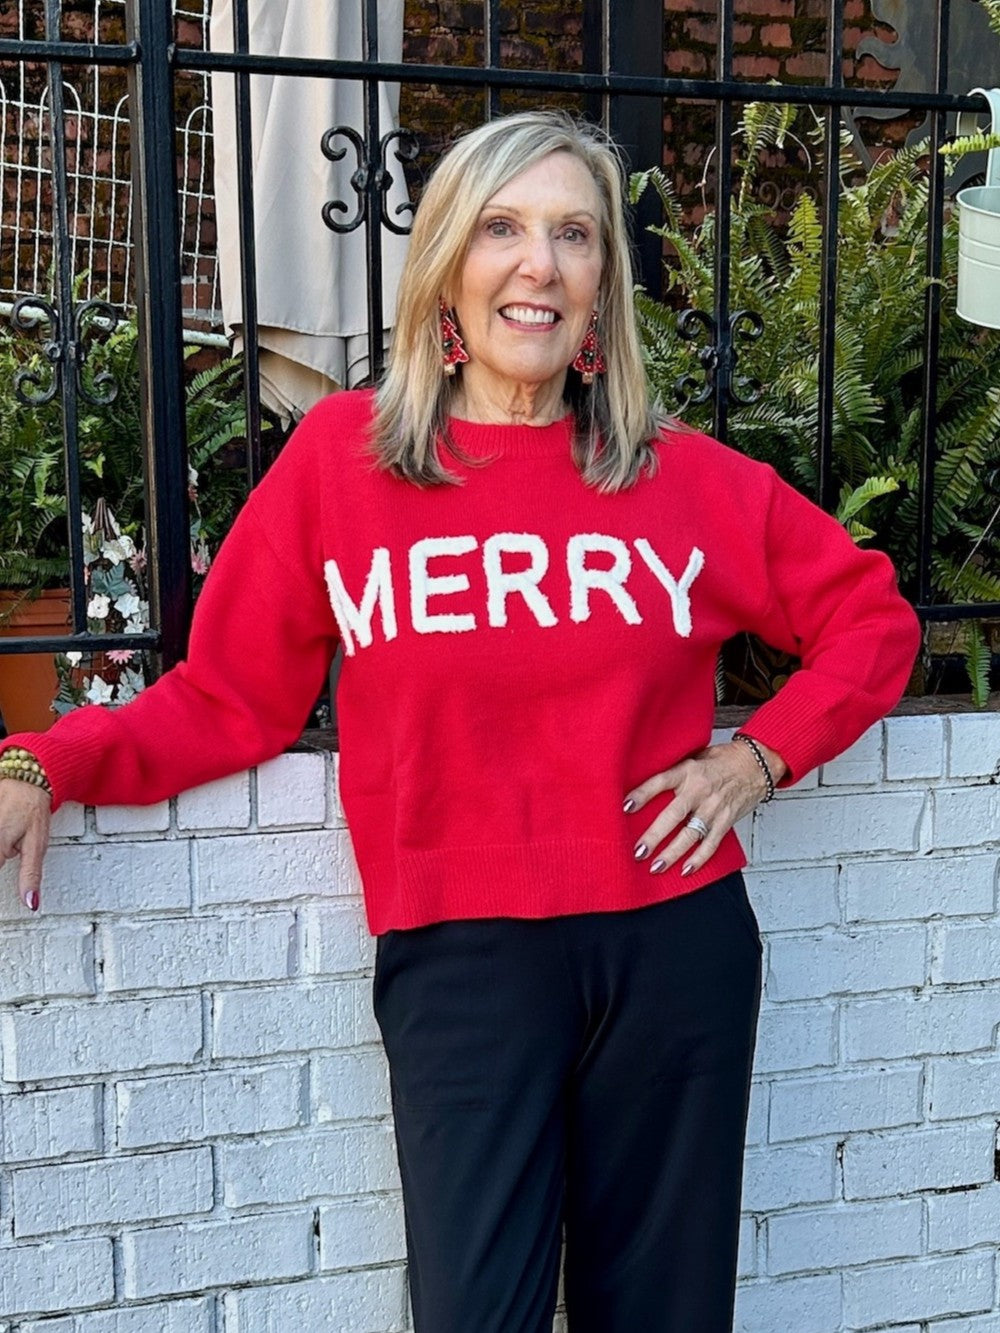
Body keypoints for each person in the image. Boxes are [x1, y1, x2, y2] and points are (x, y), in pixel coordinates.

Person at [0, 109, 920, 1332]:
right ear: (446, 267)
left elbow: (871, 618)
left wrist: (755, 759)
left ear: (602, 286)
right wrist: (44, 758)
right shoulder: (342, 463)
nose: (540, 263)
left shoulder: (680, 477)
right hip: (461, 960)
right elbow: (228, 697)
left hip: (672, 944)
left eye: (574, 234)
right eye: (502, 228)